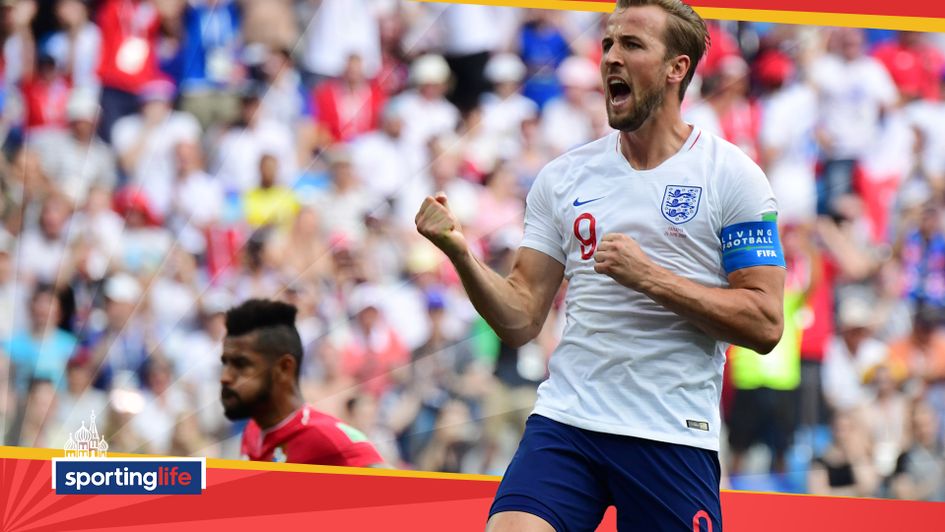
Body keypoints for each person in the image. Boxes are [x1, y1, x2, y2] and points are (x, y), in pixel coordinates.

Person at [415, 1, 785, 530]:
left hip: (670, 433)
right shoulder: (564, 177)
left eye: (632, 45)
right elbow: (520, 319)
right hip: (568, 421)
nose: (610, 57)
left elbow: (766, 323)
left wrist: (651, 277)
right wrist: (459, 252)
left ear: (676, 68)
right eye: (608, 44)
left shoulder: (734, 178)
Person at [220, 298, 386, 467]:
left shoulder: (329, 439)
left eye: (241, 364)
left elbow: (401, 490)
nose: (225, 377)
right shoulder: (253, 430)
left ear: (284, 368)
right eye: (225, 363)